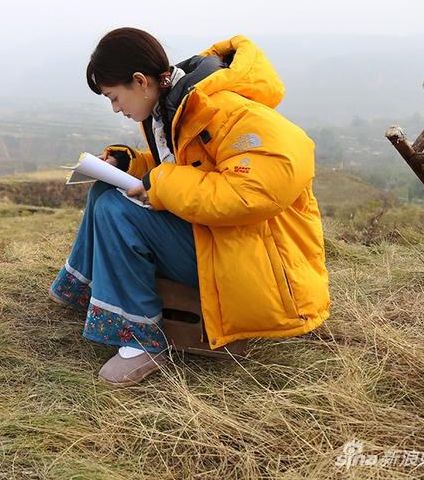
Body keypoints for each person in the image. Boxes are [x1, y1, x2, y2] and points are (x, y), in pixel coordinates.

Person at [48, 28, 330, 386]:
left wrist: (161, 184)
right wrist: (131, 165)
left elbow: (257, 188)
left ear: (140, 81)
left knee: (116, 212)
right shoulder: (173, 106)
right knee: (104, 192)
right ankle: (87, 289)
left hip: (256, 263)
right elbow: (190, 166)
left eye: (115, 97)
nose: (117, 109)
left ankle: (142, 341)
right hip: (219, 240)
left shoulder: (227, 109)